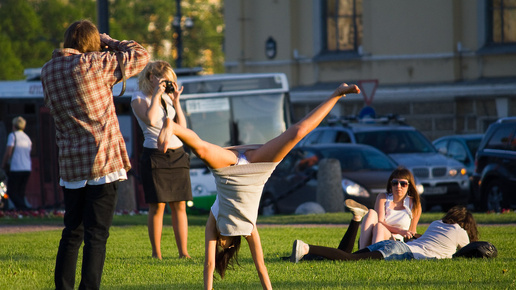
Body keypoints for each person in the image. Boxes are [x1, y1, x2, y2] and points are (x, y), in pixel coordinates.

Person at [157, 83, 361, 290]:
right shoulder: (248, 228)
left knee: (200, 149)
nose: (219, 244)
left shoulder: (215, 222)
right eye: (223, 245)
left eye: (218, 244)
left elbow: (209, 265)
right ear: (232, 245)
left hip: (229, 170)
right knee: (297, 132)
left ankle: (172, 126)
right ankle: (337, 93)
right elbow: (260, 267)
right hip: (257, 170)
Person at [41, 19, 150, 290]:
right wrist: (110, 41)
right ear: (93, 44)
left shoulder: (48, 71)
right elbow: (141, 55)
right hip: (103, 161)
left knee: (72, 233)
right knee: (97, 235)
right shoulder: (96, 64)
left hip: (71, 166)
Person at [131, 60, 192, 259]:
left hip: (177, 155)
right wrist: (157, 94)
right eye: (163, 80)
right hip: (155, 156)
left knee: (180, 205)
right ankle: (156, 253)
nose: (166, 84)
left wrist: (176, 101)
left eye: (169, 81)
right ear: (151, 77)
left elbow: (181, 128)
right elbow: (150, 119)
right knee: (158, 205)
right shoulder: (138, 98)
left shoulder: (167, 98)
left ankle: (184, 252)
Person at [290, 205, 478, 262]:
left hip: (396, 245)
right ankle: (307, 247)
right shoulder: (460, 232)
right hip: (401, 251)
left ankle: (300, 254)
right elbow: (469, 250)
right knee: (350, 260)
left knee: (345, 257)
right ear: (466, 224)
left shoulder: (437, 223)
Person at [352, 167, 422, 249]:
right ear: (391, 184)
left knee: (379, 227)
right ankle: (362, 251)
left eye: (403, 183)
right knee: (371, 212)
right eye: (395, 183)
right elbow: (380, 221)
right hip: (377, 234)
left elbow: (412, 231)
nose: (398, 186)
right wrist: (400, 230)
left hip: (396, 240)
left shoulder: (414, 203)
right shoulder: (383, 197)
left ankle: (374, 254)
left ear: (409, 186)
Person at [1, 116, 32, 210]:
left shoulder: (12, 135)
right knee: (20, 192)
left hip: (16, 168)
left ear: (14, 126)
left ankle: (23, 208)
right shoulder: (27, 138)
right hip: (27, 168)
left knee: (11, 191)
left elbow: (8, 152)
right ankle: (22, 210)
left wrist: (3, 164)